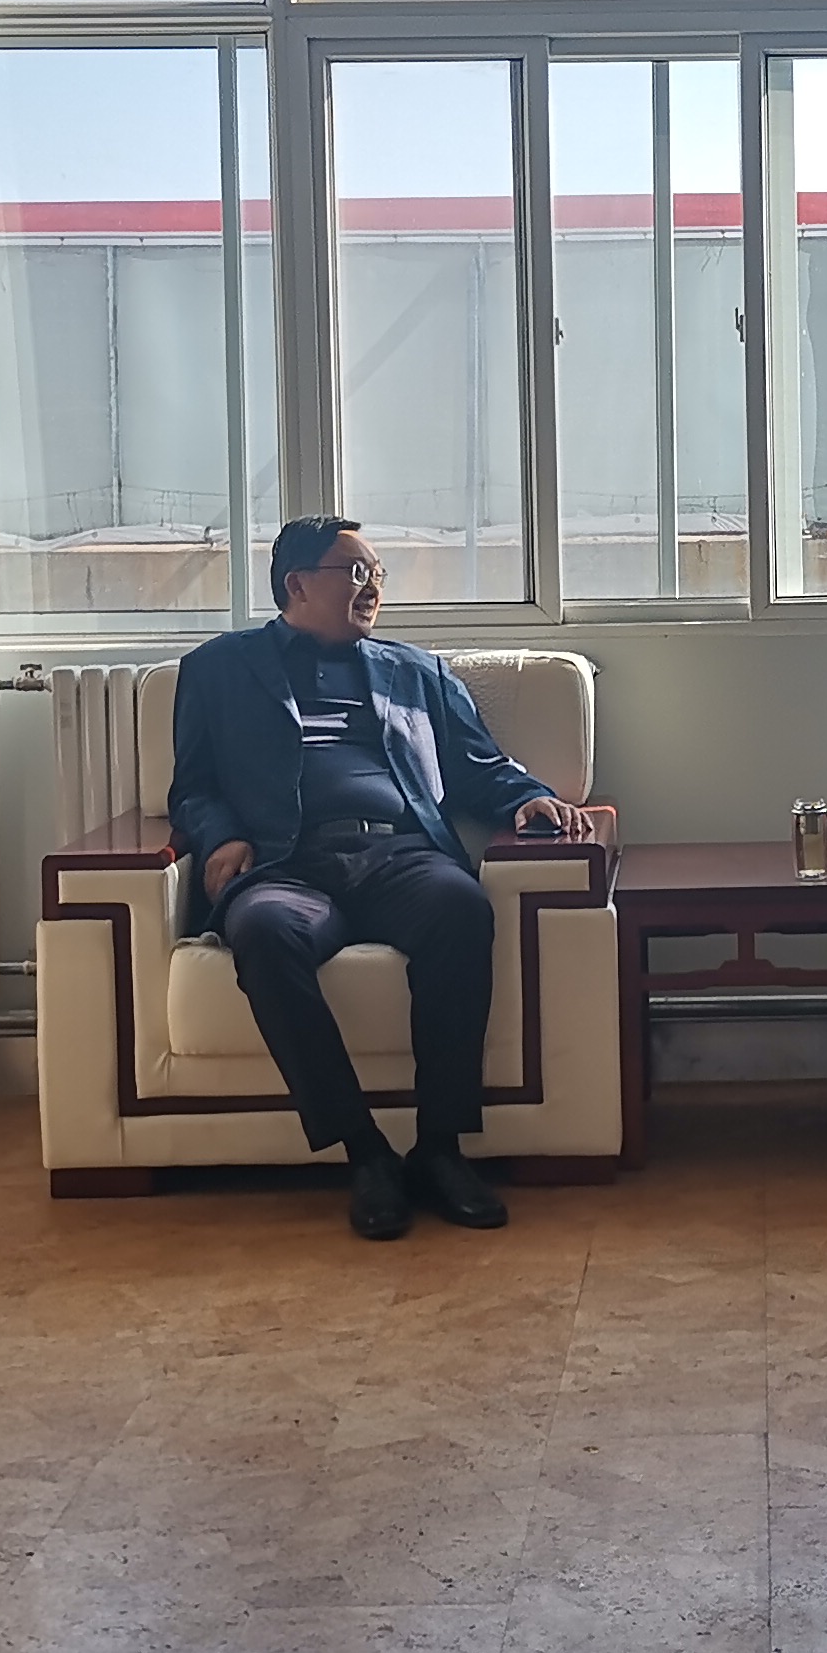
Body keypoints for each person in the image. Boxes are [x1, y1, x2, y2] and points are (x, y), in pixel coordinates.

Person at [169, 516, 581, 1241]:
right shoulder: (218, 668)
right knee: (262, 929)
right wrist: (220, 835)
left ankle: (440, 1148)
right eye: (355, 572)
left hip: (399, 855)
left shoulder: (417, 672)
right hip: (285, 865)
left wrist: (527, 798)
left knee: (460, 906)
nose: (372, 588)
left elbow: (479, 766)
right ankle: (365, 1153)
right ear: (297, 584)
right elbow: (193, 787)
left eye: (377, 574)